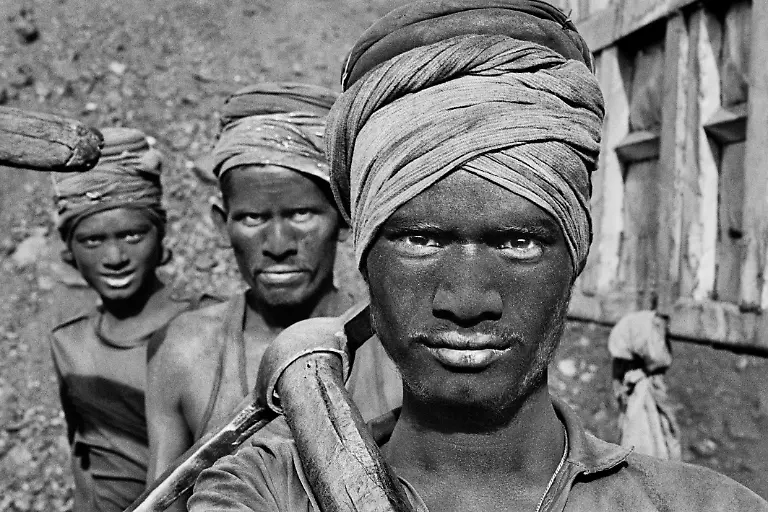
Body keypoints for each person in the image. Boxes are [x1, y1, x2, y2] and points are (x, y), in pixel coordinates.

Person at [187, 2, 768, 511]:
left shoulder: (706, 505)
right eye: (422, 239)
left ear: (576, 258)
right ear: (363, 256)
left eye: (518, 242)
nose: (466, 301)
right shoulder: (266, 490)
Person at [146, 83, 401, 507]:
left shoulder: (394, 350)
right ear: (220, 222)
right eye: (252, 217)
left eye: (301, 214)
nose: (278, 243)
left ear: (342, 217)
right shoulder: (186, 351)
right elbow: (163, 499)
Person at [49, 127, 208, 511]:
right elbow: (85, 461)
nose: (115, 256)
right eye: (92, 241)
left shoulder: (209, 325)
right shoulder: (69, 343)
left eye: (133, 235)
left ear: (161, 233)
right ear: (69, 249)